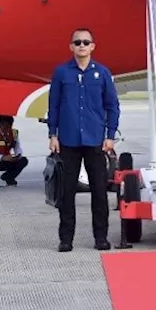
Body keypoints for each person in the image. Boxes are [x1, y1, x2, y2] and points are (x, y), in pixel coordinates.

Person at [47, 28, 121, 252]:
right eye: (77, 42)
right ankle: (66, 239)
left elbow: (112, 106)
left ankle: (101, 238)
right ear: (71, 46)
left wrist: (110, 135)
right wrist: (53, 134)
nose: (81, 46)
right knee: (66, 192)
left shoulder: (103, 73)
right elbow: (54, 105)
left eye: (85, 42)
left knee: (99, 192)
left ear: (92, 47)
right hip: (68, 140)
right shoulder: (61, 73)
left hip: (95, 140)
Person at [0, 114, 29, 186]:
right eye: (5, 127)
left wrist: (17, 155)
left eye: (9, 127)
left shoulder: (14, 133)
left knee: (24, 160)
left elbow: (17, 148)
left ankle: (9, 177)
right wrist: (2, 157)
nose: (7, 130)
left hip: (9, 160)